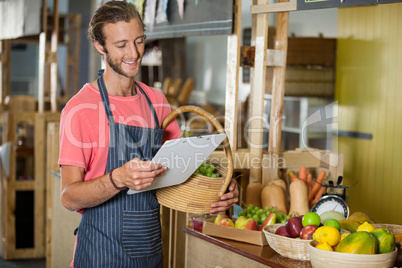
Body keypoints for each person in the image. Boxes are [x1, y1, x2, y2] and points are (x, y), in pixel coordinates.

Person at [58, 1, 239, 267]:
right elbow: (69, 197)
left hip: (148, 248)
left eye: (139, 41)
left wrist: (218, 192)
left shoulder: (156, 101)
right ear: (100, 46)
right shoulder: (80, 108)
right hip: (99, 250)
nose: (133, 53)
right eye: (121, 45)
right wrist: (118, 178)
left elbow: (180, 172)